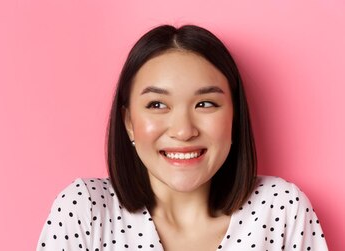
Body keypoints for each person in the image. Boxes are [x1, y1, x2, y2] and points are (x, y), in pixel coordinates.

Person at [37, 24, 328, 250]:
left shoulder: (280, 208)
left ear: (234, 117)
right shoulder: (85, 209)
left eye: (205, 104)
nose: (183, 131)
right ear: (128, 122)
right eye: (157, 105)